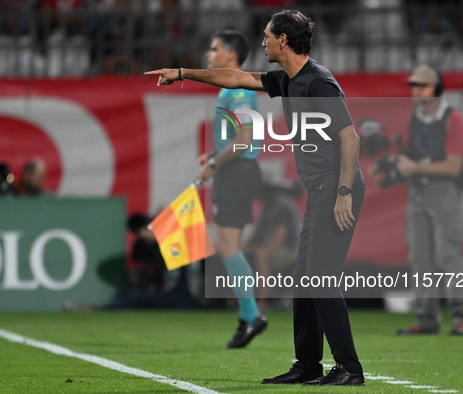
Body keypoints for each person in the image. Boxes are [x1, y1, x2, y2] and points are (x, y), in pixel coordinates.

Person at [146, 9, 366, 386]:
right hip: (319, 190)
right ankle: (308, 366)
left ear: (283, 40)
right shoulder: (287, 78)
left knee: (319, 277)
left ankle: (349, 368)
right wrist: (184, 73)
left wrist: (344, 192)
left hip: (337, 189)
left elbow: (350, 138)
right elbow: (236, 77)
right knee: (304, 277)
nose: (262, 41)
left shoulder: (318, 82)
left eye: (267, 36)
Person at [374, 64, 463, 336]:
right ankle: (427, 320)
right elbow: (409, 156)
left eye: (423, 85)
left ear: (437, 88)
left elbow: (453, 167)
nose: (416, 91)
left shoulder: (453, 119)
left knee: (449, 255)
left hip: (445, 193)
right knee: (420, 258)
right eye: (414, 86)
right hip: (418, 193)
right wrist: (391, 164)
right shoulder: (415, 117)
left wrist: (413, 167)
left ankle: (462, 320)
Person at [201, 29, 267, 349]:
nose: (208, 55)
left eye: (214, 49)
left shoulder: (239, 90)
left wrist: (215, 163)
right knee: (228, 247)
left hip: (237, 173)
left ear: (231, 55)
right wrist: (215, 156)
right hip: (235, 171)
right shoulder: (230, 87)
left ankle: (251, 315)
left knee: (227, 246)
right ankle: (247, 317)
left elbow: (244, 142)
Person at [244, 181, 302, 304]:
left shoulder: (283, 208)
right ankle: (237, 302)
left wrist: (255, 249)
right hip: (272, 250)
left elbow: (278, 241)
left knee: (261, 254)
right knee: (235, 255)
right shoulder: (267, 209)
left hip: (291, 252)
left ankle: (262, 301)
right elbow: (256, 238)